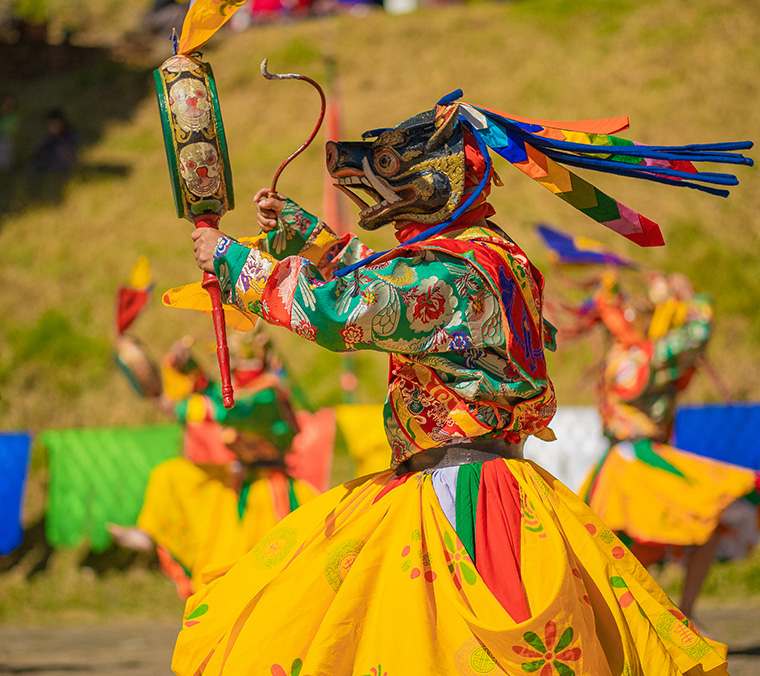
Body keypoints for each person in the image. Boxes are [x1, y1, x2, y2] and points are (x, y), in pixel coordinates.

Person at [170, 95, 750, 675]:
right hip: (478, 482)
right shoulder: (489, 255)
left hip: (466, 499)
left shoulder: (457, 271)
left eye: (396, 177)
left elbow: (343, 310)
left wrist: (235, 263)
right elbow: (387, 277)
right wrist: (304, 234)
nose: (378, 193)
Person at [574, 269, 758, 619]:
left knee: (621, 541)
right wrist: (692, 299)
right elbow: (696, 333)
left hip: (622, 461)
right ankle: (673, 615)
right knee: (701, 517)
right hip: (637, 460)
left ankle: (653, 617)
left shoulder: (622, 355)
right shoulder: (643, 358)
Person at [111, 333, 320, 598]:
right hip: (238, 477)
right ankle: (154, 531)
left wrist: (176, 406)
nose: (229, 364)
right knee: (171, 474)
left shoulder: (269, 393)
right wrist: (189, 368)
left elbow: (232, 411)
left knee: (268, 568)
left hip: (270, 488)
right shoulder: (246, 391)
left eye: (234, 358)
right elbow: (219, 395)